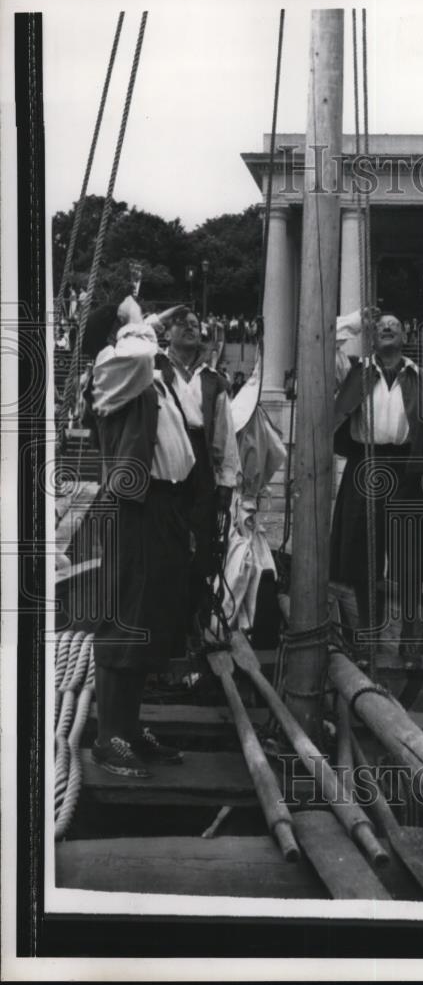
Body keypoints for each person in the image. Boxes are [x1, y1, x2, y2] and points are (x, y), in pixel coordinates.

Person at [83, 296, 194, 778]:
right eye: (132, 315)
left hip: (161, 505)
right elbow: (139, 354)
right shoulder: (113, 368)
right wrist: (136, 323)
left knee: (150, 617)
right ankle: (110, 738)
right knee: (125, 615)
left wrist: (142, 320)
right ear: (119, 330)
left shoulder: (144, 373)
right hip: (134, 505)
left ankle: (129, 726)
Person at [332, 310, 423, 666]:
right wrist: (356, 320)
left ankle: (409, 641)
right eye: (381, 325)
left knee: (410, 562)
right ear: (372, 335)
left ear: (407, 335)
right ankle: (367, 637)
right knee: (361, 557)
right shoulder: (354, 372)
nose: (388, 328)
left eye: (396, 324)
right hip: (365, 467)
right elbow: (324, 342)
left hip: (409, 470)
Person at [152, 307, 240, 640]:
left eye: (195, 325)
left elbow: (224, 436)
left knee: (202, 548)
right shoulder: (153, 368)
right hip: (165, 460)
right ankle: (166, 633)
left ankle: (195, 628)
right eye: (181, 324)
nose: (190, 328)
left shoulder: (213, 380)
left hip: (200, 463)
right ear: (167, 331)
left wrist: (226, 481)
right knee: (165, 545)